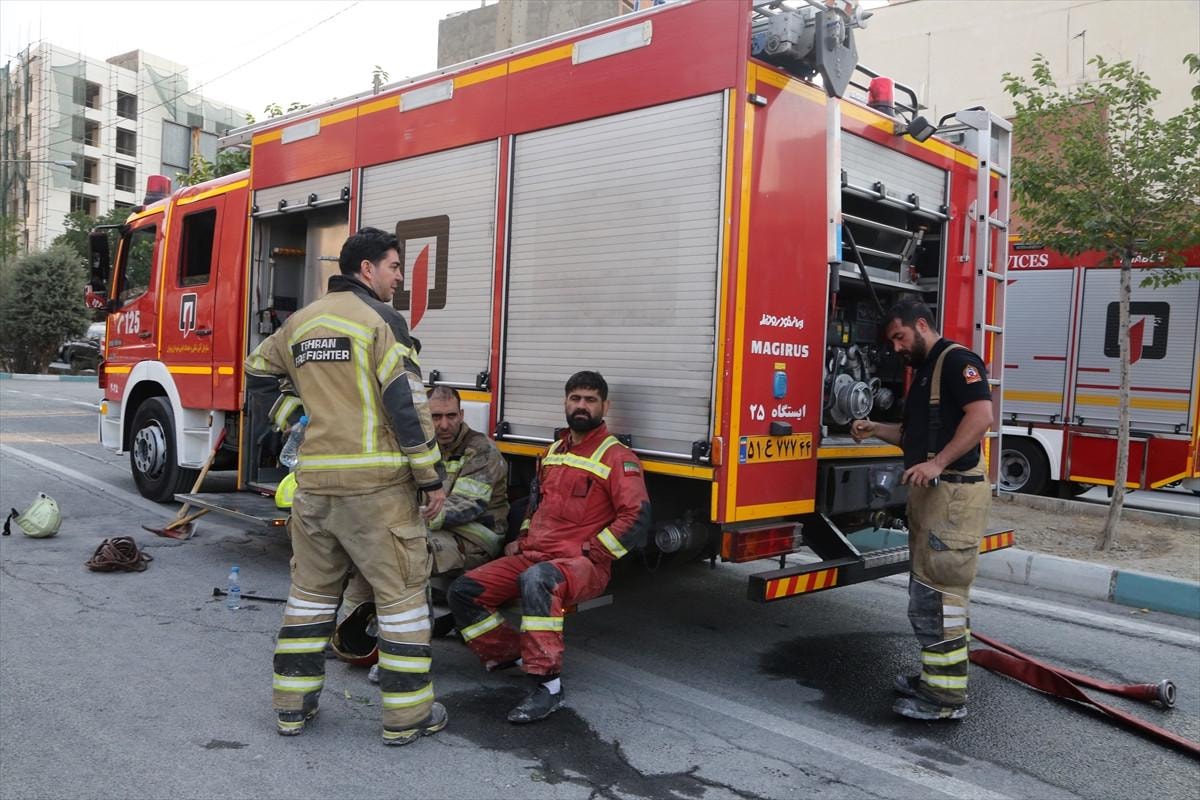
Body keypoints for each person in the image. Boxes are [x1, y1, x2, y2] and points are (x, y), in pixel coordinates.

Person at [244, 226, 449, 745]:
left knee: (310, 598)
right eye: (394, 267)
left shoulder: (300, 322)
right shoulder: (381, 321)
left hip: (314, 488)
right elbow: (408, 405)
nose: (398, 279)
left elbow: (257, 372)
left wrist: (296, 413)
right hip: (377, 492)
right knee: (402, 600)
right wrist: (432, 478)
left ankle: (292, 708)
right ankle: (407, 717)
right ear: (367, 269)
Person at [448, 371, 651, 724]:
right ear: (565, 403)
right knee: (463, 591)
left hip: (580, 565)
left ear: (605, 406)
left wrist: (593, 553)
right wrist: (522, 539)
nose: (582, 406)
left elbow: (637, 516)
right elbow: (535, 504)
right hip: (533, 556)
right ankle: (511, 654)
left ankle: (547, 685)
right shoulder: (553, 452)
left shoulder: (617, 457)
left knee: (538, 581)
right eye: (575, 398)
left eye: (590, 400)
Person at [850, 298, 993, 721]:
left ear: (922, 325)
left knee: (940, 598)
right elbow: (913, 435)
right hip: (937, 499)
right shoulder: (928, 370)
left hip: (952, 498)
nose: (896, 347)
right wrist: (874, 428)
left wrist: (938, 463)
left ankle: (944, 700)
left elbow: (981, 416)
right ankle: (936, 679)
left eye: (900, 337)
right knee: (931, 593)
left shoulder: (956, 361)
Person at [338, 385, 510, 681]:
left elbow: (465, 507)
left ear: (462, 415)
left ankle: (411, 653)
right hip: (429, 531)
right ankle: (354, 638)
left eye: (451, 416)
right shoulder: (420, 448)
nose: (444, 424)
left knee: (410, 554)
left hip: (475, 538)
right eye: (436, 417)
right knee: (366, 549)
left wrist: (404, 523)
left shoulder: (481, 451)